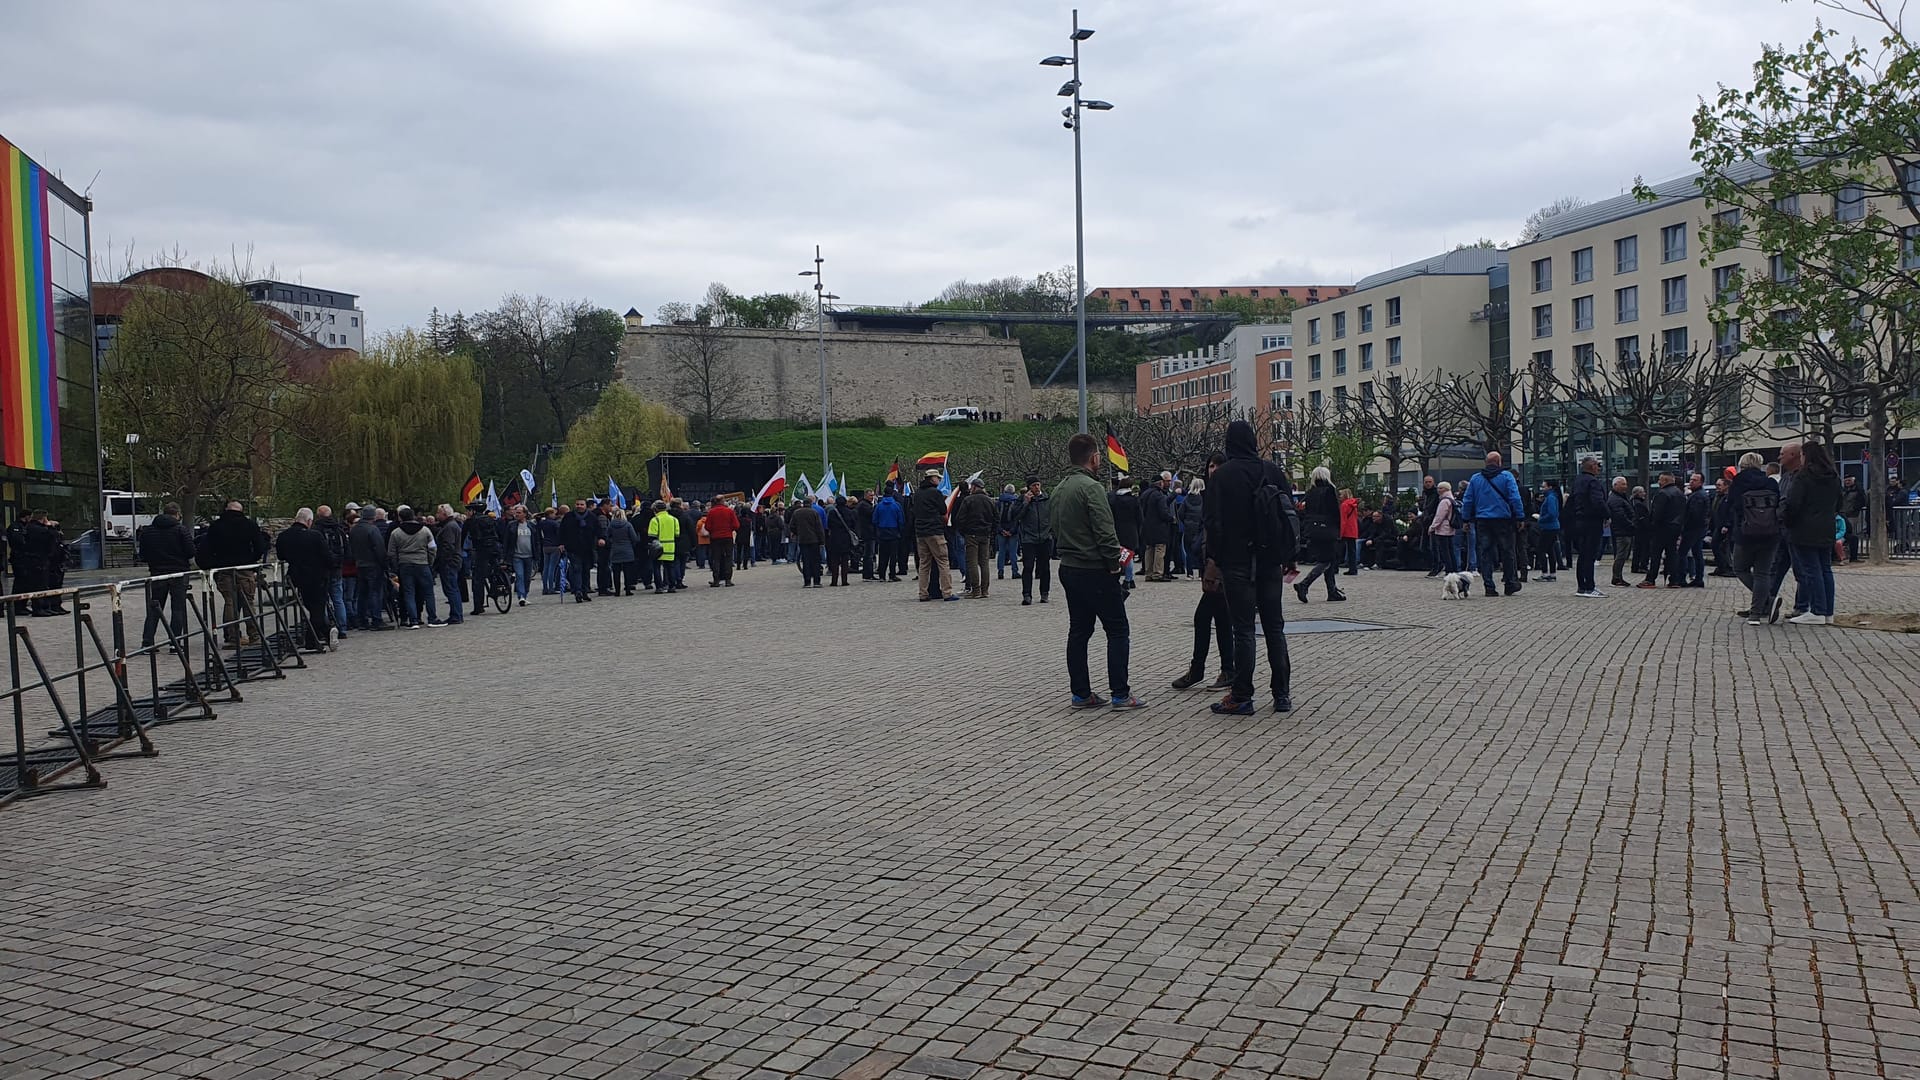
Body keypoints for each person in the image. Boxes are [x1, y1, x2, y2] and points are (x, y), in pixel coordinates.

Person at [1207, 419, 1296, 714]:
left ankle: (1242, 695)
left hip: (1237, 561)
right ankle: (1281, 693)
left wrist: (1215, 559)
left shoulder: (1223, 475)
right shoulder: (1272, 470)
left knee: (1243, 630)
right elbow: (1288, 515)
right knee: (1274, 627)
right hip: (1271, 560)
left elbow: (1214, 523)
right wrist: (1287, 554)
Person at [1051, 433, 1140, 709]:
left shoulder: (1059, 489)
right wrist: (1115, 564)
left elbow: (1053, 528)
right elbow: (1105, 531)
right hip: (1095, 569)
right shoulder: (1092, 489)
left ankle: (1081, 693)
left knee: (1079, 631)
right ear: (1094, 457)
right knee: (1117, 630)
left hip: (1069, 567)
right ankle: (1120, 693)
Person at [1173, 457, 1234, 692]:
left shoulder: (1227, 496)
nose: (1214, 469)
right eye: (1210, 465)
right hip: (1211, 564)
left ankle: (1205, 669)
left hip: (1223, 566)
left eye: (1218, 465)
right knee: (1220, 619)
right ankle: (1224, 669)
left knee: (1206, 618)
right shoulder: (1209, 496)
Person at [1784, 440, 1842, 625]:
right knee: (1825, 568)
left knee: (1811, 570)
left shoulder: (1803, 476)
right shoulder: (1833, 476)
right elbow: (1839, 502)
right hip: (1826, 527)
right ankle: (1827, 612)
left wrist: (1788, 521)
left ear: (1805, 456)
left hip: (1804, 528)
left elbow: (1793, 504)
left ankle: (1817, 610)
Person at [1727, 452, 1784, 625]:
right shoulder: (1770, 482)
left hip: (1745, 534)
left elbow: (1733, 506)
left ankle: (1766, 600)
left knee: (1739, 568)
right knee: (1762, 573)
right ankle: (1756, 613)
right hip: (1770, 533)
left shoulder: (1738, 482)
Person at [208, 500, 271, 646]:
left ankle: (233, 637)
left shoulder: (216, 526)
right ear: (241, 510)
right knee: (248, 602)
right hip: (244, 568)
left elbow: (207, 549)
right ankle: (254, 636)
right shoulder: (249, 525)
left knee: (230, 602)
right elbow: (260, 547)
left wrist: (214, 564)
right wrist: (251, 559)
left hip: (224, 569)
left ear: (226, 509)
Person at [1460, 452, 1523, 596]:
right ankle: (1510, 583)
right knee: (1507, 552)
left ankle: (1489, 586)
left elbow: (1468, 500)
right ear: (1499, 462)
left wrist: (1466, 520)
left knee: (1485, 553)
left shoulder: (1476, 479)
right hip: (1503, 520)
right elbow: (1515, 498)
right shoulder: (1507, 476)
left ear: (1486, 462)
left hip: (1483, 520)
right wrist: (1520, 517)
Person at [276, 508, 339, 651]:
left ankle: (311, 639)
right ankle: (326, 630)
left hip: (297, 577)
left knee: (311, 606)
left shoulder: (284, 536)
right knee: (317, 607)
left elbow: (281, 556)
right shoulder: (315, 536)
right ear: (309, 521)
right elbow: (327, 557)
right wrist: (335, 562)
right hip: (317, 576)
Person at [138, 501, 197, 651]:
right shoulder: (181, 530)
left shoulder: (148, 531)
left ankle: (147, 642)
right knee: (178, 608)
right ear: (177, 514)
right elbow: (191, 551)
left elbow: (143, 556)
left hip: (157, 572)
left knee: (155, 607)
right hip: (179, 572)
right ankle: (175, 643)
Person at [1292, 467, 1346, 603]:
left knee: (1329, 558)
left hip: (1313, 529)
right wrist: (1338, 530)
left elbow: (1307, 511)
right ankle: (1304, 584)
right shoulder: (1330, 491)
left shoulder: (1310, 492)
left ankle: (1332, 591)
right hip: (1328, 529)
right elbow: (1335, 512)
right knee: (1326, 560)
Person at [385, 505, 441, 628]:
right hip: (422, 563)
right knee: (428, 592)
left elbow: (391, 552)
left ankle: (413, 620)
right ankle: (432, 618)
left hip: (405, 564)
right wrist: (429, 561)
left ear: (400, 518)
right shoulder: (425, 530)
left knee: (408, 593)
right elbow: (433, 548)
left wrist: (396, 566)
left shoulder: (396, 533)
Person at [1565, 456, 1609, 597]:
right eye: (1597, 465)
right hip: (1592, 522)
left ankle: (1582, 587)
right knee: (1590, 555)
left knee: (1583, 555)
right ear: (1592, 467)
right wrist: (1607, 515)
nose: (1599, 468)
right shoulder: (1593, 482)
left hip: (1578, 522)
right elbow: (1598, 501)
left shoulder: (1577, 481)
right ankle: (1590, 587)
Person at [911, 470, 954, 601]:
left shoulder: (917, 493)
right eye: (937, 478)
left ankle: (923, 593)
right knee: (943, 561)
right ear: (932, 479)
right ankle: (947, 592)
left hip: (920, 532)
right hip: (934, 531)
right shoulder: (935, 493)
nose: (939, 480)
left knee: (924, 564)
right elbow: (943, 510)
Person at [347, 502, 390, 631]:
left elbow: (351, 548)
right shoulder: (372, 529)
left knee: (363, 593)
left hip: (360, 564)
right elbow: (379, 548)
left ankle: (362, 620)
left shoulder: (354, 529)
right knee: (375, 592)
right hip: (373, 565)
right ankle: (376, 619)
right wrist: (384, 564)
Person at [1638, 474, 1685, 589]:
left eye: (1659, 479)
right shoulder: (1680, 494)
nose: (1658, 482)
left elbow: (1657, 512)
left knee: (1655, 554)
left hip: (1661, 528)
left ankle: (1650, 579)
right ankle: (1674, 580)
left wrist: (1651, 525)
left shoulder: (1662, 493)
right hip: (1675, 527)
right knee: (1672, 553)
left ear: (1665, 480)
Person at [313, 504, 352, 639]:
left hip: (321, 569)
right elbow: (347, 550)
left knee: (322, 600)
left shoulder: (316, 530)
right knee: (338, 599)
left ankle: (324, 629)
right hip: (337, 569)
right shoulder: (339, 530)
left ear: (318, 515)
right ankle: (342, 628)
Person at [955, 478, 998, 599]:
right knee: (984, 563)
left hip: (971, 534)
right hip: (985, 534)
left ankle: (976, 590)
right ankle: (985, 590)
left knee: (972, 562)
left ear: (974, 487)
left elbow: (960, 518)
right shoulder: (990, 501)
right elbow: (996, 518)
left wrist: (964, 532)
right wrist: (991, 532)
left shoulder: (968, 500)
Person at [1017, 474, 1052, 606]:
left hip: (1045, 538)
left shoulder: (1047, 498)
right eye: (1033, 485)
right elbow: (1015, 516)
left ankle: (1044, 593)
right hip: (1028, 539)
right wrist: (1026, 503)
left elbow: (1053, 515)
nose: (1036, 487)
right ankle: (1027, 595)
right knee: (1028, 567)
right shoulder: (1022, 499)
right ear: (1029, 488)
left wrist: (1051, 531)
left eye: (1038, 484)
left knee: (1045, 567)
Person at [560, 499, 602, 603]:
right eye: (577, 504)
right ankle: (578, 591)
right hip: (573, 548)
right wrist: (561, 543)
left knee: (586, 570)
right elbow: (562, 530)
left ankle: (584, 591)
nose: (579, 506)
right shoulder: (569, 517)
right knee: (576, 569)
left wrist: (601, 538)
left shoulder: (591, 517)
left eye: (581, 504)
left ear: (585, 506)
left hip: (587, 548)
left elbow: (598, 529)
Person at [433, 505, 467, 624]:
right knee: (452, 588)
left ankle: (456, 615)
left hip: (449, 562)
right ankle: (456, 614)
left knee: (451, 589)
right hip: (453, 560)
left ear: (444, 514)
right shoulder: (451, 525)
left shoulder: (449, 527)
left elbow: (448, 546)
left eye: (439, 513)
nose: (437, 515)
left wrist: (442, 560)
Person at [1141, 472, 1177, 582]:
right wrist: (1171, 518)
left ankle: (1148, 573)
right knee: (1159, 549)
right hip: (1159, 527)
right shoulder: (1159, 495)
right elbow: (1163, 512)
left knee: (1149, 549)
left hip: (1146, 526)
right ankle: (1157, 573)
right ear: (1160, 483)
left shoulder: (1145, 494)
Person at [1108, 475, 1142, 589]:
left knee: (1119, 553)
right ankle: (1129, 579)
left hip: (1117, 529)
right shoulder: (1134, 500)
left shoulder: (1113, 500)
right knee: (1129, 555)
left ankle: (1123, 577)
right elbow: (1140, 518)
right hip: (1131, 530)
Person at [645, 500, 684, 592]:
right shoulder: (674, 519)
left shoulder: (655, 520)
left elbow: (651, 535)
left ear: (656, 509)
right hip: (670, 546)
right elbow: (677, 534)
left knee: (657, 567)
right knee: (670, 567)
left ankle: (659, 587)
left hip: (658, 548)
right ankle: (672, 586)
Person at [504, 505, 539, 606]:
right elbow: (506, 541)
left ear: (525, 514)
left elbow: (536, 541)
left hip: (529, 555)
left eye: (519, 513)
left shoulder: (531, 525)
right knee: (519, 576)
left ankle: (525, 594)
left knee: (527, 577)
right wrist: (505, 556)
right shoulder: (511, 525)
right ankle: (521, 596)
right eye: (516, 512)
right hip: (517, 555)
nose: (516, 514)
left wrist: (537, 554)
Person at [1680, 472, 1711, 587]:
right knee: (1697, 553)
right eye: (1691, 479)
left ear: (1701, 482)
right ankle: (1698, 578)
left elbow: (1694, 514)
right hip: (1698, 529)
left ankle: (1682, 577)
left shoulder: (1698, 496)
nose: (1691, 481)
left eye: (1695, 480)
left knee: (1683, 553)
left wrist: (1685, 527)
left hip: (1693, 529)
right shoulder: (1698, 494)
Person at [790, 492, 827, 588]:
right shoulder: (814, 513)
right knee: (815, 561)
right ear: (811, 503)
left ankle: (807, 582)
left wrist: (798, 532)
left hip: (802, 539)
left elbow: (792, 526)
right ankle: (816, 581)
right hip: (814, 540)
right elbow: (819, 528)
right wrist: (822, 541)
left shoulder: (797, 513)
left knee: (805, 561)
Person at [1605, 477, 1636, 587]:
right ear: (1615, 485)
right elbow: (1620, 516)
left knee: (1622, 555)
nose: (1625, 487)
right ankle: (1617, 578)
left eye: (1625, 484)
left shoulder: (1619, 498)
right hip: (1622, 531)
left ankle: (1618, 577)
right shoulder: (1615, 499)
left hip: (1624, 530)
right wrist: (1631, 525)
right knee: (1621, 555)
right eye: (1622, 484)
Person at [602, 508, 639, 594]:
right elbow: (634, 538)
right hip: (627, 549)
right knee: (627, 571)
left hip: (615, 550)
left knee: (616, 572)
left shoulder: (611, 525)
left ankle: (617, 590)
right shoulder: (628, 525)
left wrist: (612, 542)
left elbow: (606, 537)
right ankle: (628, 589)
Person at [872, 486, 905, 582]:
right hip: (894, 532)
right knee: (893, 556)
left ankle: (882, 575)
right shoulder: (897, 505)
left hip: (882, 532)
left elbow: (874, 520)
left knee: (882, 555)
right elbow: (901, 520)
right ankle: (892, 575)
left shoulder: (879, 505)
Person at [705, 499, 738, 587]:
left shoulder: (711, 512)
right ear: (723, 502)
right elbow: (736, 525)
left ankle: (716, 580)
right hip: (727, 537)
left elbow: (707, 526)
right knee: (728, 558)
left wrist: (713, 531)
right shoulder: (729, 511)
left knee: (716, 558)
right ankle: (728, 580)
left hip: (715, 538)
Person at [1534, 480, 1562, 581]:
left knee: (1541, 550)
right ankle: (1552, 573)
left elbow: (1552, 513)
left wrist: (1540, 518)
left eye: (1544, 487)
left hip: (1548, 527)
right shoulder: (1553, 497)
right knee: (1550, 550)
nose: (1542, 489)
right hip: (1553, 527)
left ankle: (1545, 573)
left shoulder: (1550, 498)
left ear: (1550, 487)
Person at [1429, 482, 1459, 573]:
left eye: (1440, 488)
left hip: (1443, 529)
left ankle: (1449, 570)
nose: (1438, 490)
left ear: (1445, 489)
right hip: (1450, 528)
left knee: (1444, 551)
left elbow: (1439, 516)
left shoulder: (1444, 501)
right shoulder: (1452, 499)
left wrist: (1432, 527)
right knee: (1450, 550)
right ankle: (1454, 569)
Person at [1180, 478, 1207, 578]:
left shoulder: (1187, 499)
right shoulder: (1205, 499)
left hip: (1189, 527)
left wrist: (1186, 522)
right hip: (1200, 527)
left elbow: (1180, 513)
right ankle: (1201, 573)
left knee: (1188, 551)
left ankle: (1190, 573)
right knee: (1201, 550)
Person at [995, 483, 1022, 581]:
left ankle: (1000, 571)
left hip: (1001, 530)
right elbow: (1017, 518)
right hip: (1012, 531)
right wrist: (1012, 530)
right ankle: (1015, 571)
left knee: (1001, 551)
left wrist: (1001, 530)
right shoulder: (1016, 502)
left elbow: (995, 518)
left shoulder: (998, 502)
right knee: (1013, 552)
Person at [1838, 474, 1867, 563]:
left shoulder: (1858, 490)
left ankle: (1851, 555)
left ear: (1853, 480)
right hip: (1842, 514)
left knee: (1851, 533)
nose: (1847, 482)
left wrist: (1854, 508)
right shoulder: (1843, 491)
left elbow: (1862, 501)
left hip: (1852, 515)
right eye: (1846, 480)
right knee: (1846, 535)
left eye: (1849, 480)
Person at [1338, 488, 1361, 574]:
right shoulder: (1353, 504)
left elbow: (1343, 520)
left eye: (1341, 495)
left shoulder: (1344, 505)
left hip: (1346, 530)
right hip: (1353, 529)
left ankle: (1335, 568)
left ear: (1344, 495)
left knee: (1338, 549)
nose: (1339, 497)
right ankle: (1353, 569)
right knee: (1352, 551)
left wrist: (1340, 532)